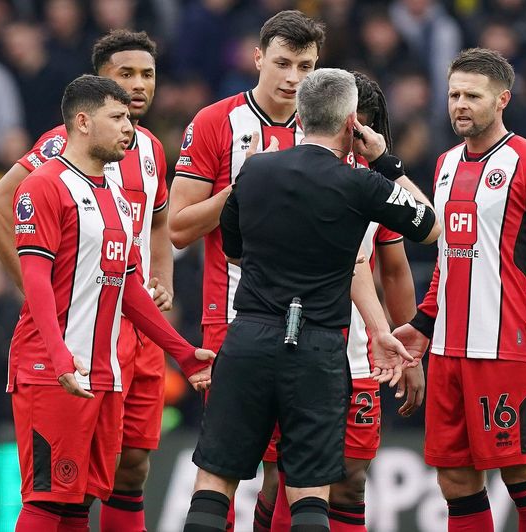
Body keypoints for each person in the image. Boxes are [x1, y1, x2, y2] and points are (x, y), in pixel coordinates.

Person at [182, 68, 441, 532]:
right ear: (350, 124)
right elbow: (430, 226)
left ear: (298, 117)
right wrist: (386, 163)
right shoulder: (362, 186)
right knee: (308, 493)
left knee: (215, 481)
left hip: (248, 339)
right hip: (318, 347)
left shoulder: (254, 170)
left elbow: (235, 248)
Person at [0, 30, 174, 532]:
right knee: (62, 486)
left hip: (135, 328)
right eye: (124, 74)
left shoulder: (151, 148)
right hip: (84, 328)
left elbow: (156, 222)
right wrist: (43, 293)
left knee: (128, 471)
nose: (137, 85)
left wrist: (163, 279)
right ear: (96, 85)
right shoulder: (64, 148)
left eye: (146, 74)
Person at [8, 75, 214, 532]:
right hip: (53, 369)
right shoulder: (45, 186)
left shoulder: (117, 197)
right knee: (46, 499)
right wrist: (60, 357)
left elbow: (129, 289)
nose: (129, 128)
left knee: (79, 504)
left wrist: (180, 351)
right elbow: (35, 281)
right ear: (82, 122)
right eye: (117, 118)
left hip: (106, 372)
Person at [393, 48, 526, 532]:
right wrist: (423, 325)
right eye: (453, 94)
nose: (460, 104)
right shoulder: (445, 164)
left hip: (507, 346)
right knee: (455, 480)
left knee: (524, 477)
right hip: (449, 350)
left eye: (472, 95)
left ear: (502, 100)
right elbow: (448, 259)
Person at [169, 10, 326, 528]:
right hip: (231, 317)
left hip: (311, 322)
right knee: (227, 465)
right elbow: (179, 228)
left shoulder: (330, 128)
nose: (293, 79)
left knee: (290, 472)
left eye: (305, 66)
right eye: (282, 63)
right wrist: (241, 189)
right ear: (257, 58)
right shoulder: (216, 123)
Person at [265, 71, 423, 532]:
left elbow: (394, 270)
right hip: (296, 343)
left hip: (360, 354)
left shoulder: (376, 187)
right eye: (349, 129)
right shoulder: (286, 172)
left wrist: (408, 349)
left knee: (351, 479)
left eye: (363, 132)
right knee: (286, 478)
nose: (353, 143)